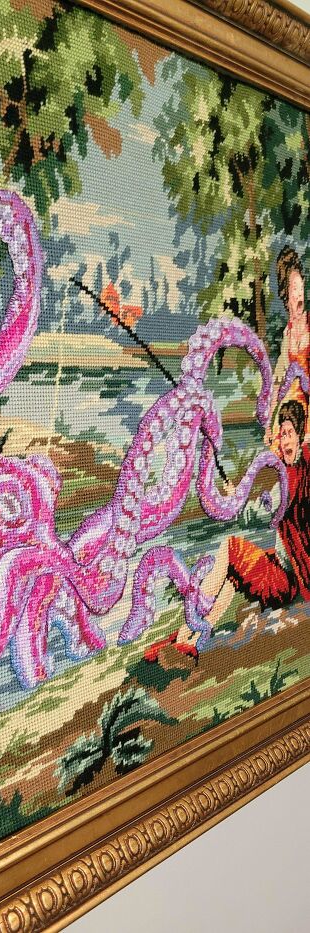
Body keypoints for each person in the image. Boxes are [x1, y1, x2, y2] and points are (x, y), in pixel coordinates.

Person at [146, 399, 310, 663]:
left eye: (290, 433)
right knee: (234, 573)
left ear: (300, 435)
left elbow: (257, 514)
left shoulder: (290, 478)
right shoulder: (303, 464)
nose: (285, 441)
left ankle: (192, 627)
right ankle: (195, 636)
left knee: (230, 549)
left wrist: (236, 500)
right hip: (292, 569)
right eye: (282, 435)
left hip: (288, 581)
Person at [266, 246, 308, 449]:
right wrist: (269, 424)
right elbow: (277, 383)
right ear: (286, 295)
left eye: (301, 288)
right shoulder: (287, 334)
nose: (299, 295)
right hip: (293, 412)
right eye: (294, 290)